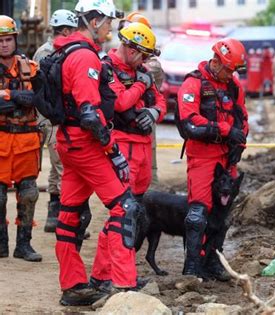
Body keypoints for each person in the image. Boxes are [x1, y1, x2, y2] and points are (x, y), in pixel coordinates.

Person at [51, 0, 142, 306]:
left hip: (68, 142)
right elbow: (90, 114)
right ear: (92, 21)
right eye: (106, 23)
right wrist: (113, 150)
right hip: (86, 144)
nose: (109, 29)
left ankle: (74, 286)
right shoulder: (85, 56)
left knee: (69, 216)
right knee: (124, 207)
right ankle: (123, 284)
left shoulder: (64, 50)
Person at [177, 38, 249, 280]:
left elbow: (243, 118)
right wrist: (226, 130)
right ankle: (192, 267)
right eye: (228, 69)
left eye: (234, 70)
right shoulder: (193, 83)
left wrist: (239, 144)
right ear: (216, 61)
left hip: (227, 156)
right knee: (198, 214)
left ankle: (213, 262)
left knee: (222, 215)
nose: (231, 74)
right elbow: (189, 121)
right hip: (203, 155)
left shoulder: (234, 86)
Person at [0, 15, 42, 262]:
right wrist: (17, 97)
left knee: (28, 193)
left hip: (27, 141)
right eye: (0, 40)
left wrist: (9, 96)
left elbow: (42, 99)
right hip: (1, 140)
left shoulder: (31, 68)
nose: (4, 44)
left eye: (8, 39)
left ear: (15, 39)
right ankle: (1, 243)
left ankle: (23, 245)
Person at [33, 9, 77, 233]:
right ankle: (63, 218)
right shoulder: (50, 53)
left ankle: (54, 213)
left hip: (50, 116)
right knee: (61, 166)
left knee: (56, 167)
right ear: (67, 30)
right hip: (50, 118)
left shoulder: (48, 51)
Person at [117, 12, 164, 189]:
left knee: (148, 176)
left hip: (144, 125)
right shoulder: (119, 62)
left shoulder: (150, 66)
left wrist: (156, 111)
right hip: (124, 131)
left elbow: (158, 98)